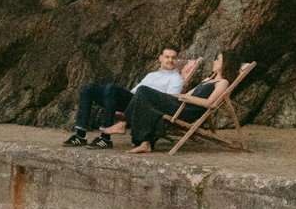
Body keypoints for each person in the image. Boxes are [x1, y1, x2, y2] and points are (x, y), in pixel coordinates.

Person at [102, 50, 244, 153]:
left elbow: (209, 104)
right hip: (181, 104)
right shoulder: (208, 79)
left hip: (187, 111)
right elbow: (185, 94)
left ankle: (123, 125)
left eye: (217, 59)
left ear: (226, 63)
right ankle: (144, 142)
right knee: (144, 94)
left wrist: (184, 98)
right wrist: (166, 96)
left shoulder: (223, 82)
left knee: (143, 91)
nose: (214, 61)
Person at [64, 49, 199, 149]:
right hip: (133, 102)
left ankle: (105, 137)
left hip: (147, 105)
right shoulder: (151, 75)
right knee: (87, 87)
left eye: (174, 58)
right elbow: (134, 91)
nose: (170, 60)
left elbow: (167, 100)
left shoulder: (176, 79)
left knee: (111, 88)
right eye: (167, 57)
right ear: (160, 58)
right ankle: (80, 134)